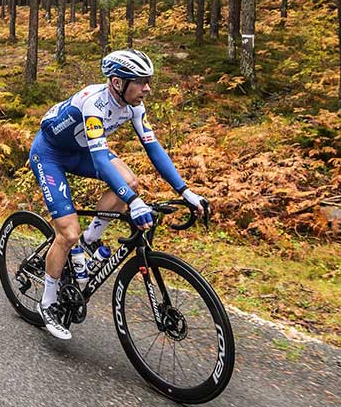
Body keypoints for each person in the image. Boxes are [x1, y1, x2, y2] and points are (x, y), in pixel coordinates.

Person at [28, 49, 210, 340]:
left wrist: (186, 191)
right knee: (68, 234)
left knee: (129, 182)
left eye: (148, 80)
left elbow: (154, 149)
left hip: (81, 151)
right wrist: (134, 203)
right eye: (140, 81)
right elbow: (101, 161)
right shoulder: (94, 104)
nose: (147, 88)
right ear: (116, 82)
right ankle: (48, 303)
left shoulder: (135, 106)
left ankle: (90, 241)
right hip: (50, 154)